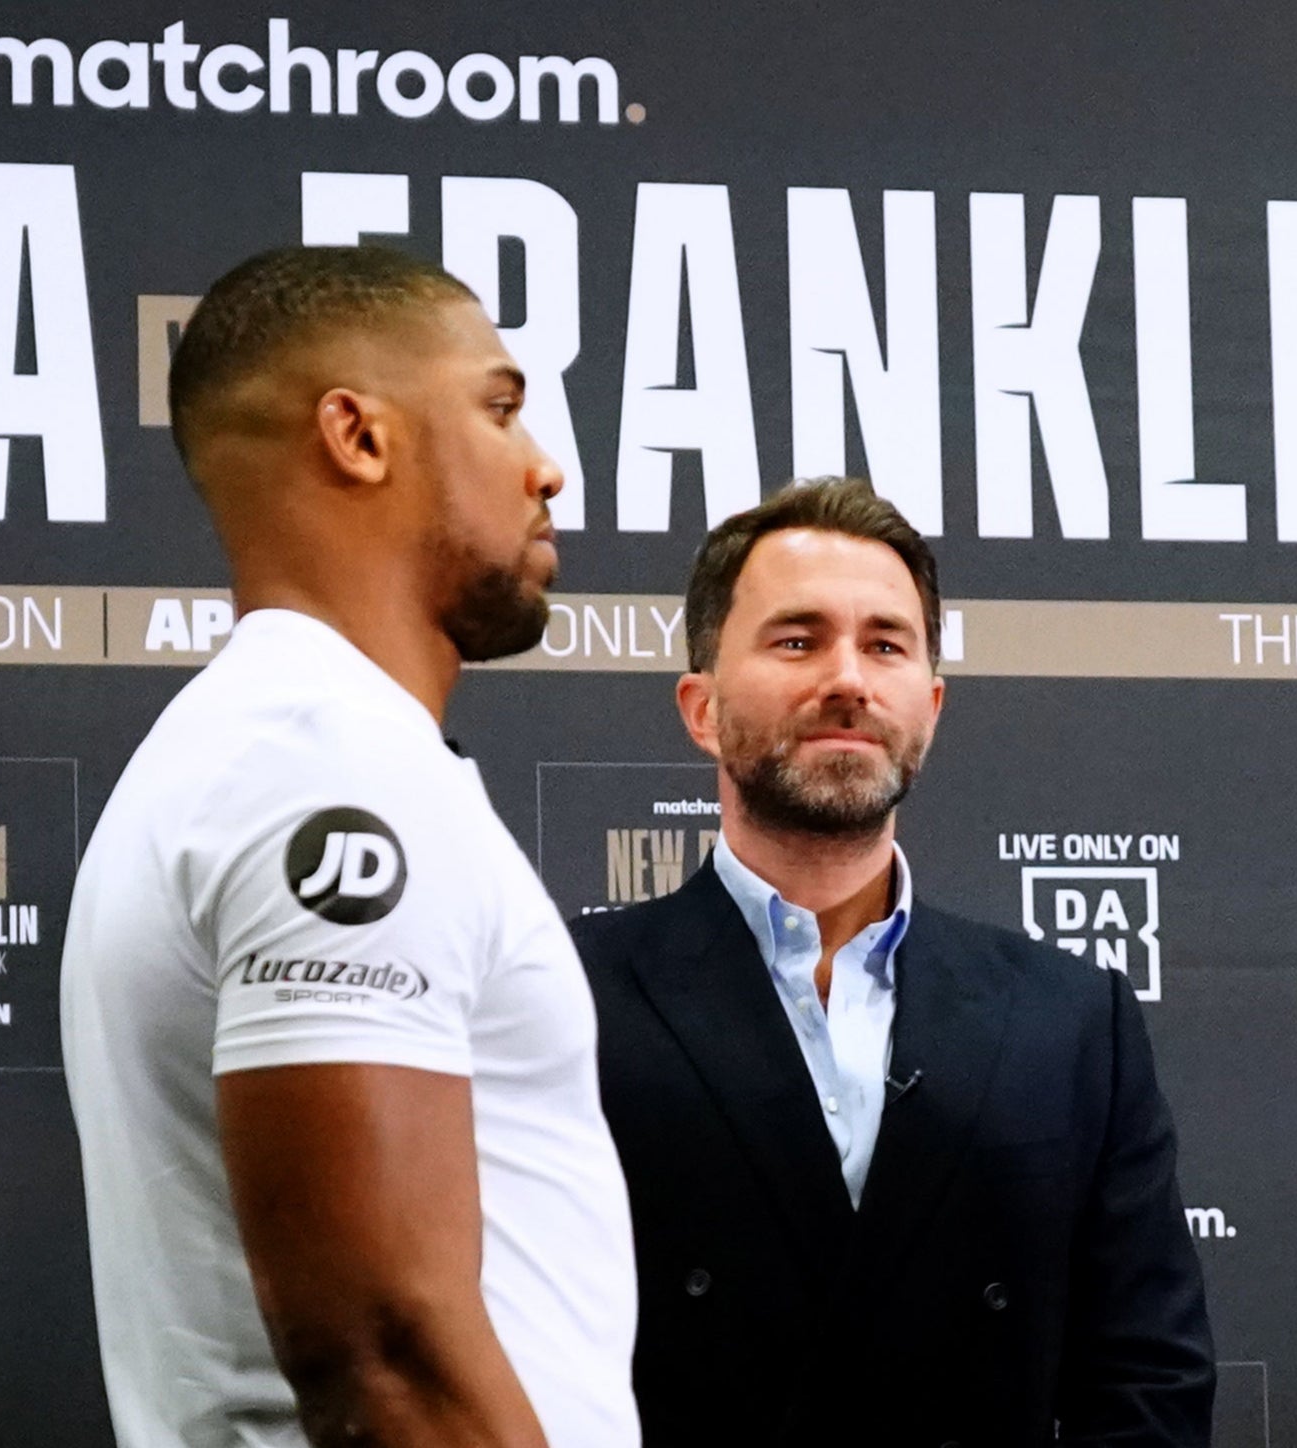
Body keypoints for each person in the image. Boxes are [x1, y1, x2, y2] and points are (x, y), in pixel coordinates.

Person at [60, 246, 640, 1448]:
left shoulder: (270, 749)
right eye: (500, 406)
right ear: (358, 436)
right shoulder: (326, 765)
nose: (548, 468)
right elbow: (382, 1350)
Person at [569, 477, 1214, 1446]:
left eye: (884, 644)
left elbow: (1146, 1383)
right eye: (796, 639)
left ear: (931, 703)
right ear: (699, 707)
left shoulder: (1074, 1019)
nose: (847, 679)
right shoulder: (569, 991)